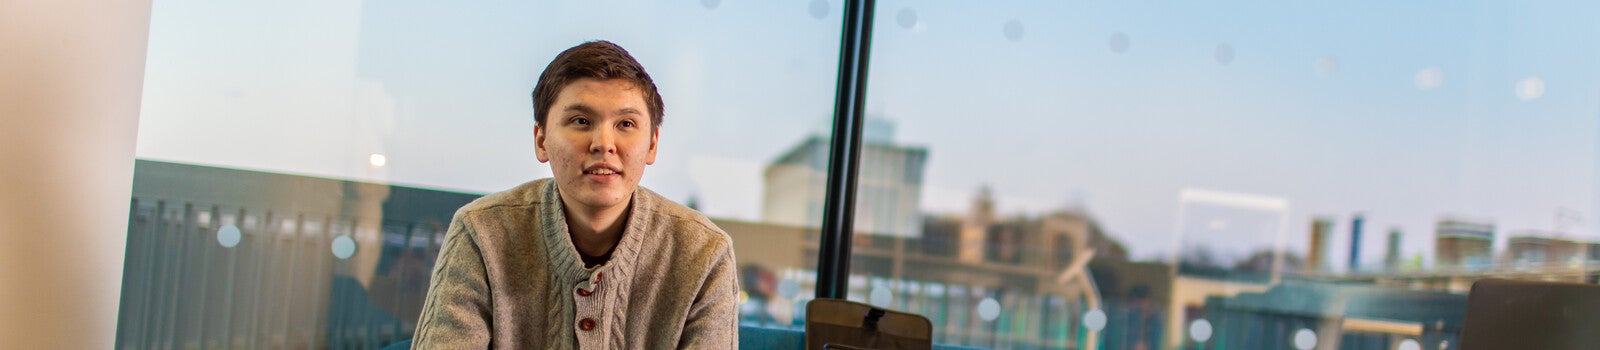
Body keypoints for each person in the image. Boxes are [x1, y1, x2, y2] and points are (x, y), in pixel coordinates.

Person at [411, 40, 739, 349]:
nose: (603, 143)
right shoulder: (480, 233)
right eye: (581, 121)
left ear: (652, 144)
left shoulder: (704, 254)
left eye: (625, 124)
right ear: (541, 141)